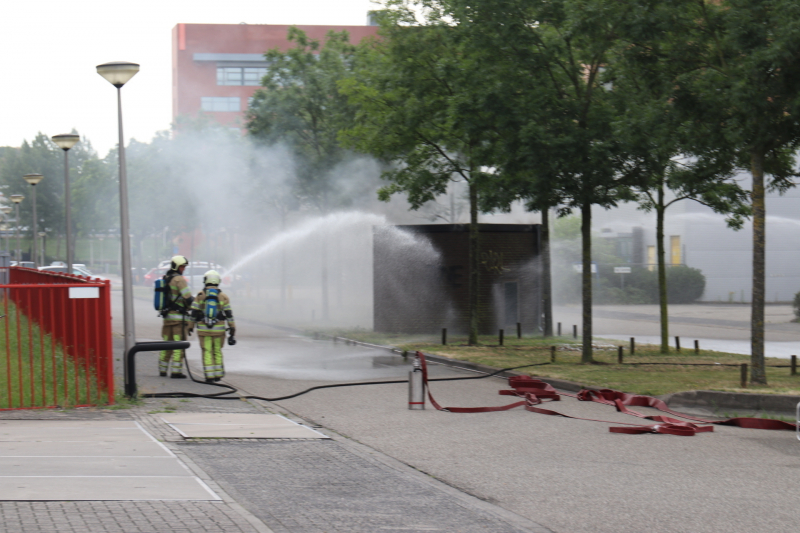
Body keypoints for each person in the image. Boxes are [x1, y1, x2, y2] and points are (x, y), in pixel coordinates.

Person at [189, 269, 236, 382]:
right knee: (217, 351)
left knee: (207, 351)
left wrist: (190, 326)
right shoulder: (224, 297)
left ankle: (209, 375)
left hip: (204, 331)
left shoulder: (200, 295)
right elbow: (229, 314)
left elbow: (194, 312)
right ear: (218, 281)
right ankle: (218, 374)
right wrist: (232, 328)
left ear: (206, 280)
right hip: (219, 331)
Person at [158, 255, 194, 378]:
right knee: (179, 346)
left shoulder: (167, 278)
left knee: (166, 345)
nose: (184, 269)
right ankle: (176, 371)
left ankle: (162, 370)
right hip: (178, 320)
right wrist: (197, 306)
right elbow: (187, 298)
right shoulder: (179, 279)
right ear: (177, 266)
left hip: (167, 319)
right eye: (182, 266)